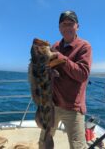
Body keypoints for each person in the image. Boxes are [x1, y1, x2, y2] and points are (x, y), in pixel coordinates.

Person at [39, 10, 92, 149]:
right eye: (64, 24)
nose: (67, 27)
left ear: (77, 26)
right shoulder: (55, 46)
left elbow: (83, 74)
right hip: (52, 104)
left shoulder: (84, 46)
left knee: (78, 146)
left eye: (71, 23)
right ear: (59, 28)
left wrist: (61, 58)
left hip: (73, 107)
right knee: (44, 141)